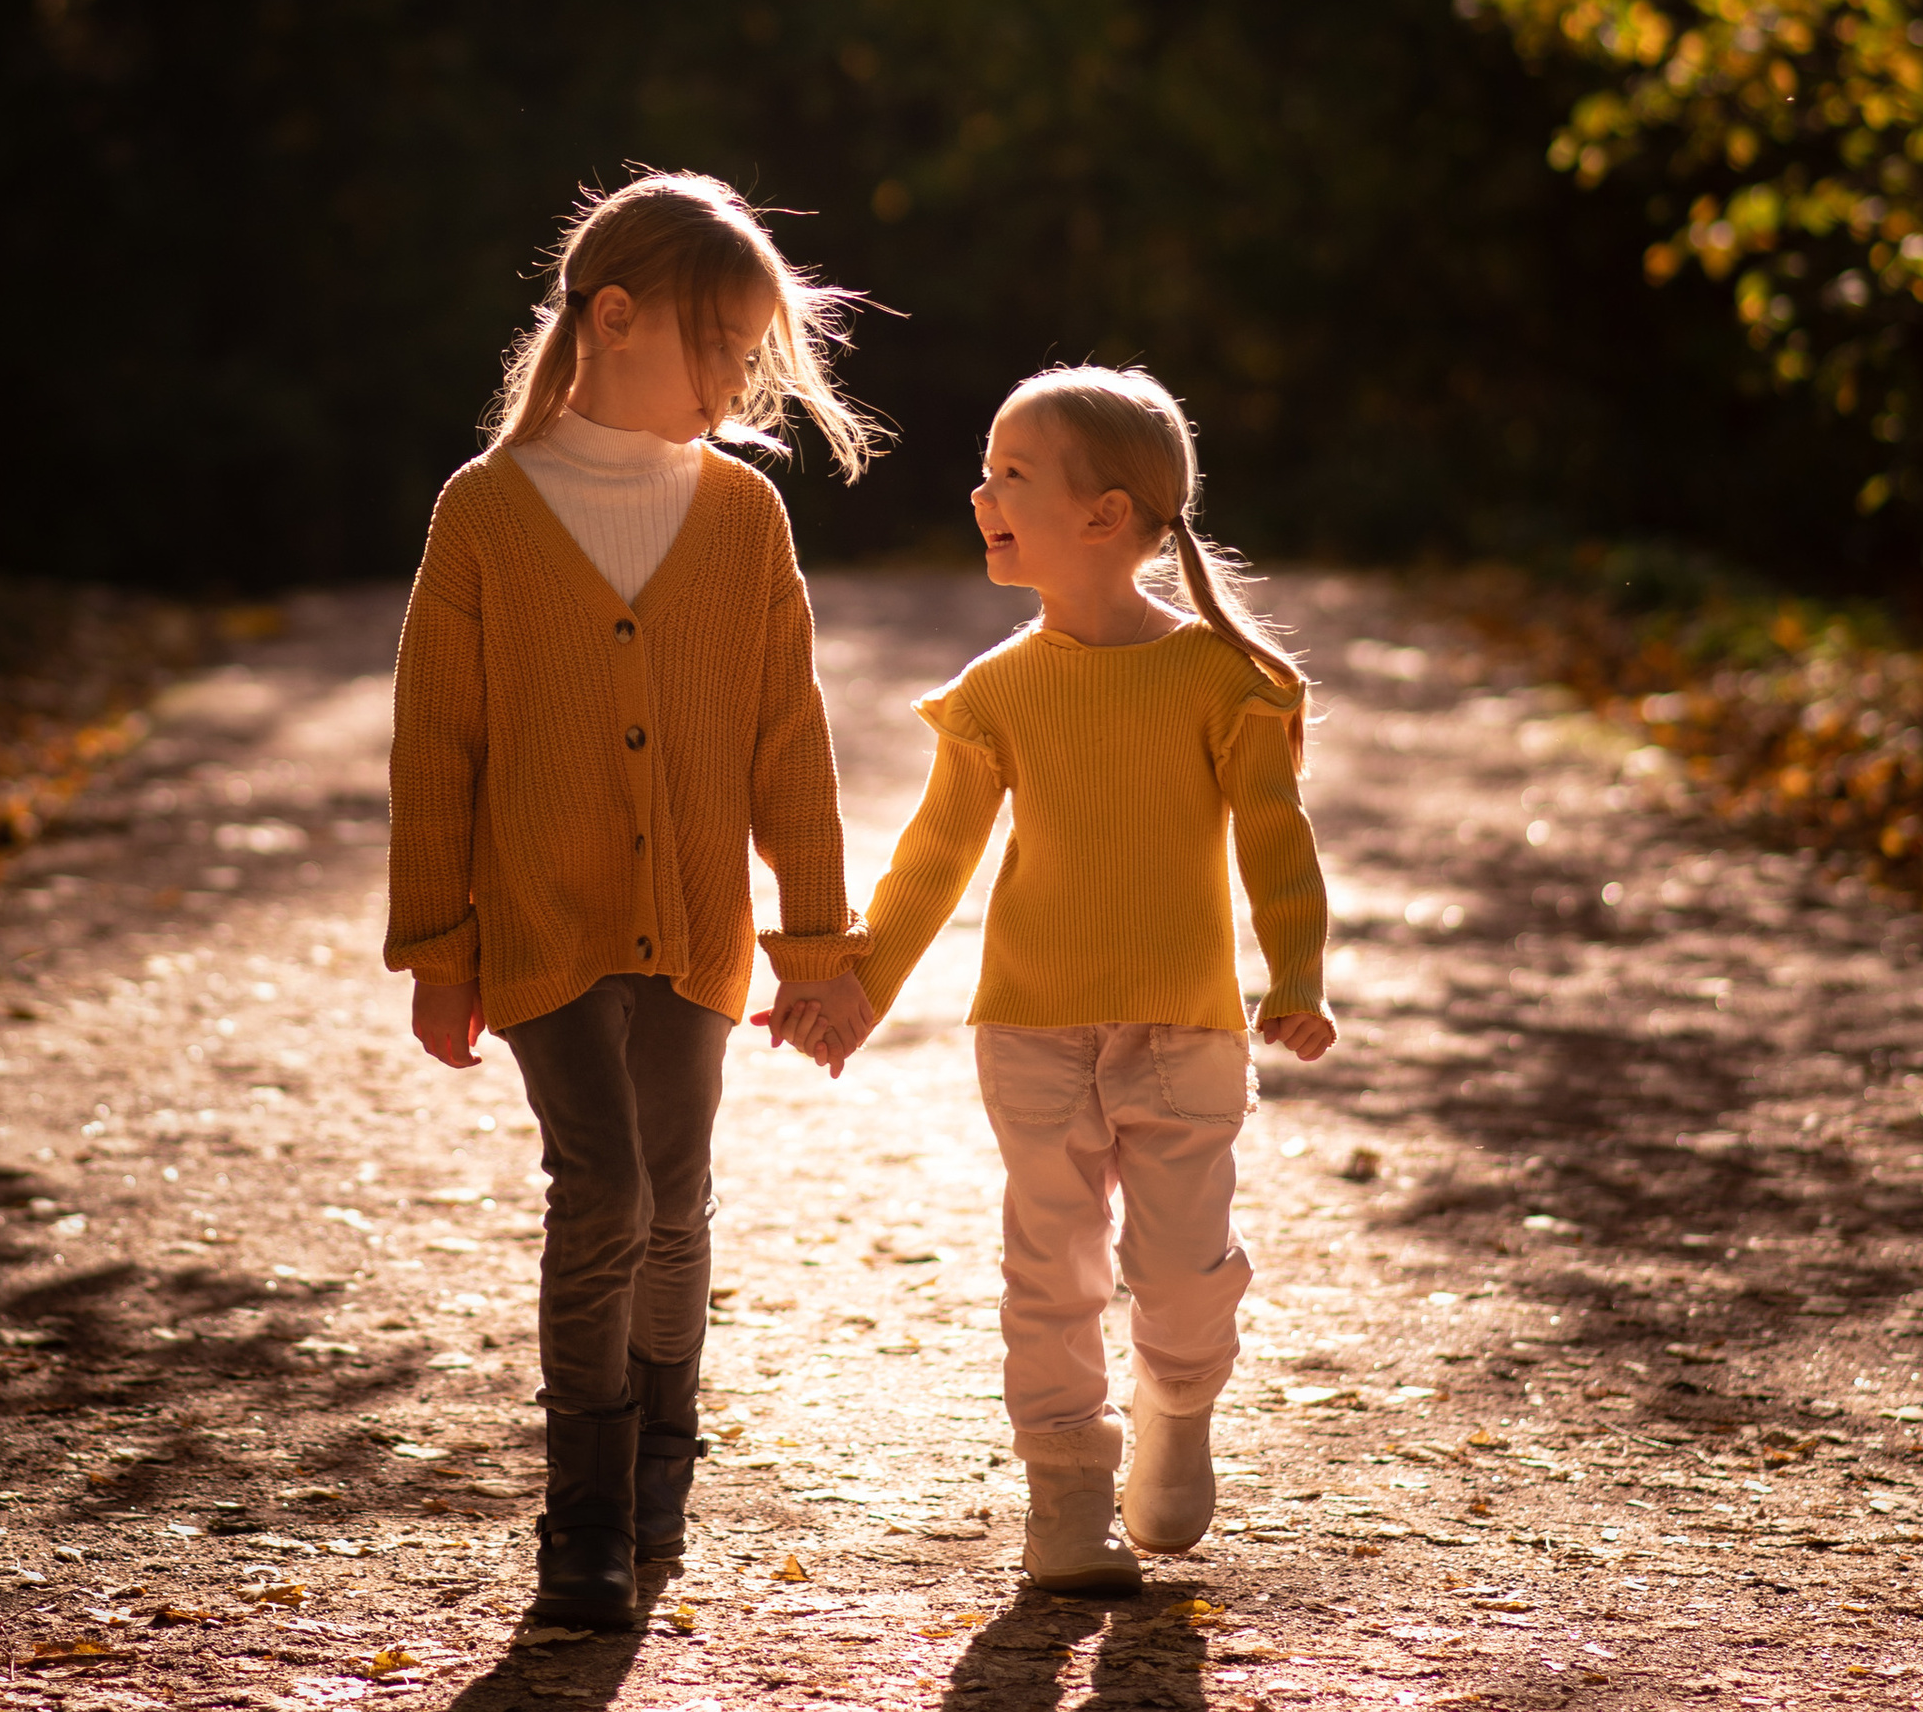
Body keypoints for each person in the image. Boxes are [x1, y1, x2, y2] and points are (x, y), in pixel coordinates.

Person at [386, 169, 880, 1630]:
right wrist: (437, 945)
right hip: (539, 922)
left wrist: (816, 941)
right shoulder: (484, 511)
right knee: (601, 1188)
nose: (737, 378)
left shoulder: (743, 517)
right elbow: (436, 743)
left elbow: (789, 740)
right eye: (717, 344)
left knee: (675, 1198)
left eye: (749, 351)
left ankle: (665, 1456)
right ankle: (585, 1513)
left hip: (699, 926)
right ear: (613, 317)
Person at [773, 364, 1333, 1598]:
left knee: (1180, 1273)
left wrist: (1295, 974)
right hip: (1031, 1030)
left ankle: (1177, 1402)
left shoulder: (1217, 678)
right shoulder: (996, 690)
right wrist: (856, 989)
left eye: (1011, 474)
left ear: (1104, 514)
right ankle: (1068, 1495)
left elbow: (1274, 840)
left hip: (1184, 1031)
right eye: (987, 472)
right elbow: (932, 859)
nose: (980, 494)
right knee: (1051, 1270)